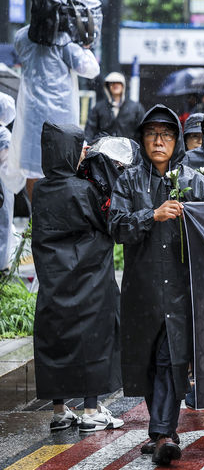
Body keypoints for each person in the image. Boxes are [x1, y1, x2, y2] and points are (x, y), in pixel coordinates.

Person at [108, 105, 204, 466]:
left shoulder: (195, 180)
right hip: (142, 287)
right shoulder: (129, 181)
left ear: (177, 142)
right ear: (142, 140)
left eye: (167, 135)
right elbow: (118, 227)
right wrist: (151, 215)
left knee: (173, 358)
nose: (159, 141)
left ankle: (163, 433)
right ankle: (162, 429)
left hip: (182, 287)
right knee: (150, 361)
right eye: (152, 134)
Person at [32, 122, 127, 433]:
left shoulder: (41, 190)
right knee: (94, 343)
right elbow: (107, 221)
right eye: (79, 147)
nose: (83, 151)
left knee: (55, 343)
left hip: (54, 281)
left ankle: (59, 411)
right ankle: (90, 410)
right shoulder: (83, 189)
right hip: (89, 281)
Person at [6, 0, 100, 201]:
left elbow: (20, 48)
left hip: (31, 117)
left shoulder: (23, 36)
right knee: (63, 169)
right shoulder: (66, 43)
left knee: (32, 168)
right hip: (62, 120)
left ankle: (36, 219)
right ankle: (55, 220)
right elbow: (91, 69)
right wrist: (84, 45)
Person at [84, 72, 145, 143]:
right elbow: (90, 130)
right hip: (104, 149)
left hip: (128, 149)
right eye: (112, 83)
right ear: (107, 86)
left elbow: (141, 131)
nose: (115, 85)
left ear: (123, 85)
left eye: (118, 82)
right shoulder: (99, 107)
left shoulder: (136, 108)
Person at [0, 92, 15, 271]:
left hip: (3, 187)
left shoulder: (3, 135)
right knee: (3, 224)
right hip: (3, 186)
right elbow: (8, 167)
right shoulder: (4, 134)